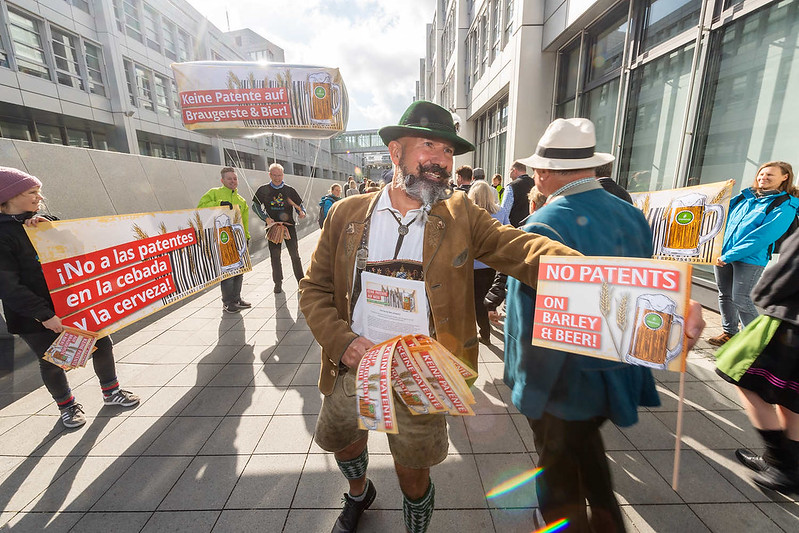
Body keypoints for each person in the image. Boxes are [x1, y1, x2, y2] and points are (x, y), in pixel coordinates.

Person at [298, 101, 581, 533]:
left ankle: (416, 527)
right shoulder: (346, 214)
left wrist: (612, 282)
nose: (442, 160)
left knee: (414, 469)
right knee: (344, 440)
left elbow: (522, 249)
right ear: (396, 152)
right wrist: (344, 344)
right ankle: (359, 493)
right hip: (353, 361)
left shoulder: (461, 214)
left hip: (420, 369)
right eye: (429, 145)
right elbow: (314, 289)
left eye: (448, 151)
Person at [503, 118, 706, 532]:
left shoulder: (544, 222)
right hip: (614, 363)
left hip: (561, 378)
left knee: (557, 470)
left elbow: (527, 320)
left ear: (542, 172)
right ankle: (610, 521)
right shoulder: (632, 215)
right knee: (585, 443)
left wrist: (526, 386)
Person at [0, 167, 139, 429]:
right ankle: (67, 406)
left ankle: (111, 392)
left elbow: (79, 253)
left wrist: (53, 230)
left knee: (102, 345)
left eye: (39, 192)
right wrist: (45, 315)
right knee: (52, 361)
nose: (39, 198)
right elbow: (8, 286)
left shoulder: (46, 221)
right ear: (8, 198)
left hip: (74, 304)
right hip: (35, 317)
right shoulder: (3, 235)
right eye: (32, 192)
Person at [716, 228, 799, 493]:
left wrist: (763, 296)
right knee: (791, 396)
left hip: (791, 320)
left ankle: (782, 463)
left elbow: (790, 269)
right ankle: (790, 463)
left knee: (742, 377)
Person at [708, 161, 799, 347]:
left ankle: (755, 344)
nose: (763, 178)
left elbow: (762, 236)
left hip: (750, 258)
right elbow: (717, 211)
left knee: (741, 298)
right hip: (723, 254)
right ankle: (729, 333)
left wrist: (729, 255)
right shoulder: (746, 196)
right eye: (761, 174)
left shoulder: (785, 204)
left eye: (769, 175)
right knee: (725, 295)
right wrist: (723, 191)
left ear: (785, 177)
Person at [198, 167, 252, 313]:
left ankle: (237, 298)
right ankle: (227, 302)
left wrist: (246, 237)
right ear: (222, 180)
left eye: (235, 179)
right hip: (222, 241)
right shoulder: (214, 193)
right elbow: (200, 207)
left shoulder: (241, 200)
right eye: (229, 178)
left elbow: (244, 221)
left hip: (239, 240)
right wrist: (218, 204)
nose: (233, 181)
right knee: (228, 273)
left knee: (239, 271)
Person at [252, 163, 307, 294]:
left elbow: (300, 206)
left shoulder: (290, 190)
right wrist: (265, 218)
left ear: (283, 175)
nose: (277, 178)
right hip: (273, 227)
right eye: (275, 175)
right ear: (269, 175)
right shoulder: (263, 189)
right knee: (275, 255)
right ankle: (278, 283)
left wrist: (302, 212)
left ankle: (301, 282)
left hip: (289, 226)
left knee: (295, 255)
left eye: (280, 175)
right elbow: (255, 206)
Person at [467, 180, 509, 344]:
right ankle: (489, 324)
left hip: (474, 264)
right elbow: (508, 232)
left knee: (477, 301)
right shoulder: (501, 211)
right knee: (490, 295)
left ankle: (484, 333)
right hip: (494, 263)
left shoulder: (468, 213)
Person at [500, 161, 535, 227]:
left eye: (510, 171)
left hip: (515, 229)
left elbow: (504, 212)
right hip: (533, 227)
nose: (509, 174)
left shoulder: (511, 187)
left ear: (514, 170)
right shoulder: (536, 184)